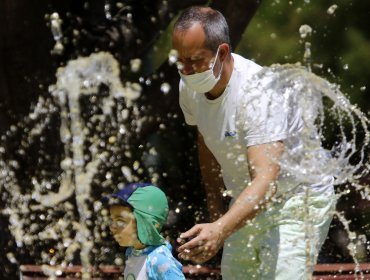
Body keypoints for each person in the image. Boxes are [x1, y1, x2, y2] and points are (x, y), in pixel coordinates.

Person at [172, 6, 336, 280]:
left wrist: (222, 228)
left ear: (222, 53)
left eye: (196, 60)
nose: (186, 70)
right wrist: (216, 215)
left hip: (297, 197)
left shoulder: (259, 92)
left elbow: (266, 181)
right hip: (247, 197)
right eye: (180, 60)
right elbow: (207, 141)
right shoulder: (190, 86)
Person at [102, 182, 185, 280]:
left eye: (120, 221)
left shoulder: (159, 260)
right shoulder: (133, 253)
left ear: (144, 223)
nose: (112, 227)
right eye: (112, 220)